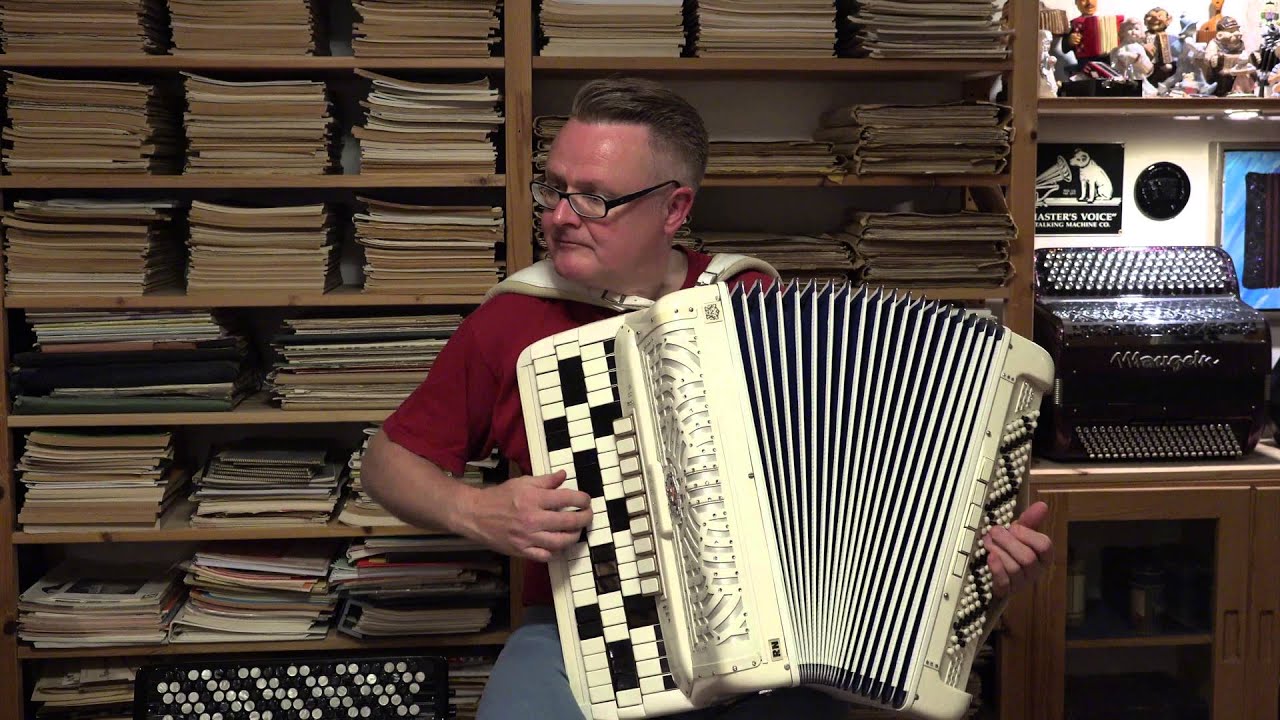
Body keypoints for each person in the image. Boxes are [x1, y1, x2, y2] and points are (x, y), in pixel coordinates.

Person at [361, 77, 1055, 720]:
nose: (561, 216)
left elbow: (879, 482)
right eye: (554, 189)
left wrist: (975, 559)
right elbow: (386, 461)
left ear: (675, 208)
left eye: (594, 197)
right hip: (579, 632)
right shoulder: (512, 321)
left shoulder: (753, 308)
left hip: (773, 638)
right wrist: (475, 509)